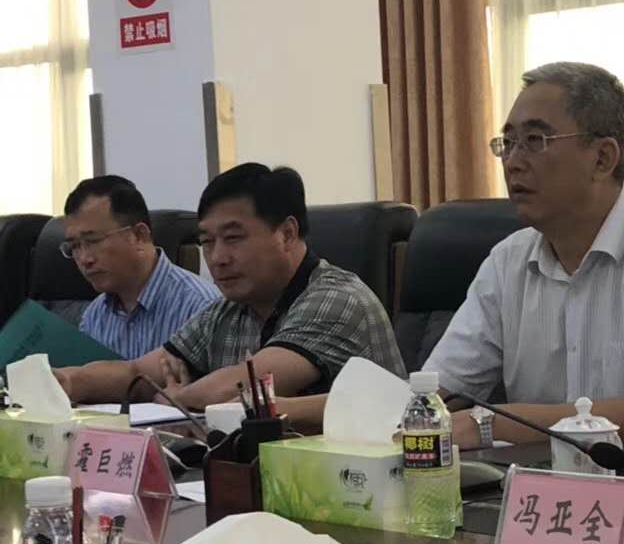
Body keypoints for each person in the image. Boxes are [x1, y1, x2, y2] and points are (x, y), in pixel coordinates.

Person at [424, 61, 624, 449]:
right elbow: (432, 394)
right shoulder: (507, 261)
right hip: (537, 480)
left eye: (535, 140)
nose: (513, 161)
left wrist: (493, 423)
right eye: (508, 143)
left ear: (602, 158)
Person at [57, 163, 405, 409]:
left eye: (234, 238)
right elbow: (137, 373)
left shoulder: (337, 298)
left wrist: (177, 398)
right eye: (207, 242)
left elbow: (243, 387)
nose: (218, 258)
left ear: (287, 233)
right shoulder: (227, 311)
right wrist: (65, 382)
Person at [64, 175, 216, 359]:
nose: (84, 259)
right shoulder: (94, 316)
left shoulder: (202, 307)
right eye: (74, 246)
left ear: (139, 235)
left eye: (94, 241)